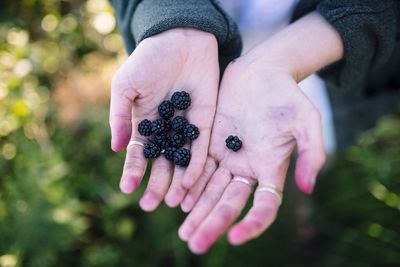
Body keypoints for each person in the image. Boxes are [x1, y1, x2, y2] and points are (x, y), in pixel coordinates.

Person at [109, 0, 400, 254]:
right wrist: (171, 18)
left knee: (307, 154)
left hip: (330, 74)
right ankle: (288, 219)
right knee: (261, 168)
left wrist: (291, 56)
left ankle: (300, 211)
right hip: (202, 66)